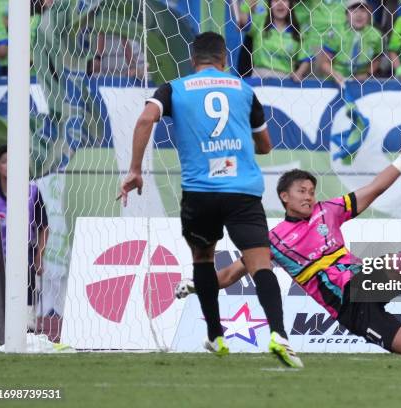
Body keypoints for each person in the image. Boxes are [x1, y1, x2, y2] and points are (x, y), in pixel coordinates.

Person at [176, 124, 401, 357]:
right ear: (283, 196)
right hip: (350, 310)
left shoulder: (329, 211)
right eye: (302, 192)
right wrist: (198, 284)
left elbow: (374, 188)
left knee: (398, 265)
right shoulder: (273, 241)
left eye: (312, 191)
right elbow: (232, 274)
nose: (309, 197)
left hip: (358, 281)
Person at [119, 32, 303, 368]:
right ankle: (279, 336)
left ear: (193, 61)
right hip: (242, 192)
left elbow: (146, 118)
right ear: (224, 60)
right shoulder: (244, 90)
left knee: (203, 259)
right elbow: (265, 146)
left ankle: (217, 337)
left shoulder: (174, 88)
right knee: (260, 263)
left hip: (199, 192)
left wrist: (134, 169)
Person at [0, 145, 49, 331]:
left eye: (13, 161)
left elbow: (43, 226)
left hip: (25, 257)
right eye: (5, 161)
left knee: (26, 322)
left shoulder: (32, 193)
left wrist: (39, 256)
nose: (10, 165)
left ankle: (28, 328)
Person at [238, 0, 312, 81]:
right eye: (276, 0)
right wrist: (246, 7)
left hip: (284, 81)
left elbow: (306, 56)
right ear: (269, 4)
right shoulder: (260, 22)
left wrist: (299, 73)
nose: (280, 4)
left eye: (284, 0)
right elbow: (242, 21)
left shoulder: (297, 32)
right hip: (259, 78)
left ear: (290, 5)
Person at [318, 0, 383, 85]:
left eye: (363, 11)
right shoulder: (336, 33)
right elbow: (324, 62)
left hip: (362, 82)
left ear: (369, 15)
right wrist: (335, 75)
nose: (359, 15)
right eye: (354, 11)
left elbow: (377, 58)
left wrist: (367, 73)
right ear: (346, 15)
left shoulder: (376, 35)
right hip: (335, 81)